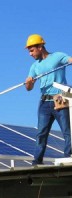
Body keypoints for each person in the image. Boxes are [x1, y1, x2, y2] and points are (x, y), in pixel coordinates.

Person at [25, 34, 72, 165]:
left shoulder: (57, 56)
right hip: (44, 103)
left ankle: (69, 157)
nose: (30, 54)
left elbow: (69, 60)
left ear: (40, 47)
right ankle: (37, 161)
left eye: (32, 50)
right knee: (41, 133)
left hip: (60, 100)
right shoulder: (35, 66)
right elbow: (29, 88)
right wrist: (29, 82)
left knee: (67, 131)